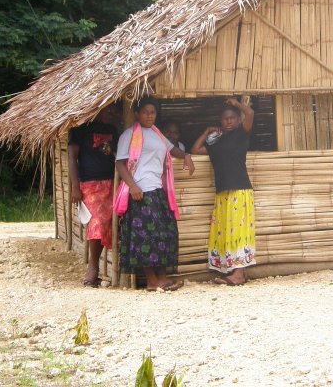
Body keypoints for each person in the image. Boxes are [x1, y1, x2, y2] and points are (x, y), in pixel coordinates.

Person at [115, 96, 194, 292]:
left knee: (163, 234)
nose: (150, 116)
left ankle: (162, 277)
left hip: (157, 190)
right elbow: (120, 163)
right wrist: (133, 186)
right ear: (137, 114)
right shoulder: (129, 135)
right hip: (141, 191)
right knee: (146, 237)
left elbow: (173, 149)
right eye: (145, 112)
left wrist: (187, 156)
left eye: (153, 112)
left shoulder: (157, 134)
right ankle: (152, 280)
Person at [191, 97, 256, 286]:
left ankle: (238, 274)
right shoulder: (216, 141)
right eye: (225, 118)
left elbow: (250, 113)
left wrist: (236, 104)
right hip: (222, 193)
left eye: (232, 118)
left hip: (240, 190)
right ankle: (232, 270)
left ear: (237, 120)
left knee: (239, 231)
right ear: (220, 120)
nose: (228, 121)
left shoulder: (242, 134)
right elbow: (196, 149)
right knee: (226, 230)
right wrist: (206, 132)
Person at [68, 103, 120, 287]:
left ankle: (98, 267)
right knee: (96, 223)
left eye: (115, 111)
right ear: (98, 109)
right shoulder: (80, 130)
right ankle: (93, 266)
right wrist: (75, 186)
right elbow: (72, 158)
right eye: (109, 110)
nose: (112, 114)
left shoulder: (113, 130)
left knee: (107, 224)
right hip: (89, 183)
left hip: (110, 182)